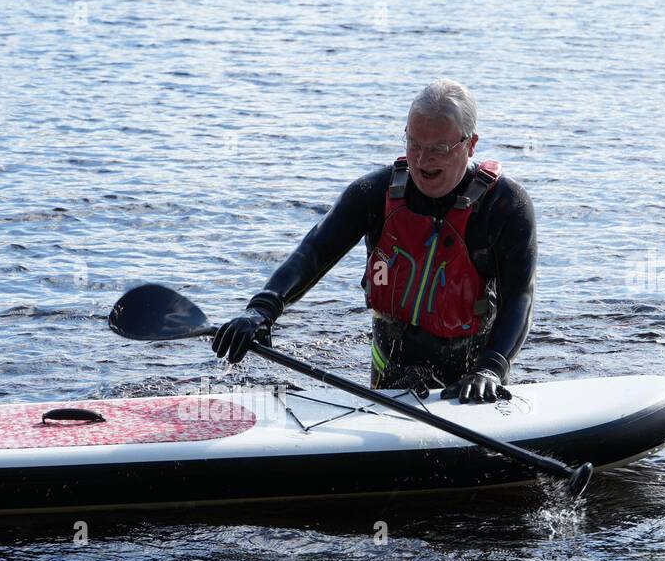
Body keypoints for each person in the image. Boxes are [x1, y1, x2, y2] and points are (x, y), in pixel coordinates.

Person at [212, 79, 535, 403]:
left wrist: (492, 368)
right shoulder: (373, 194)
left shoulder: (505, 206)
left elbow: (520, 295)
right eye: (414, 144)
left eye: (438, 149)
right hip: (390, 373)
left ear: (471, 144)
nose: (422, 161)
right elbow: (313, 251)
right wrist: (261, 309)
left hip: (470, 384)